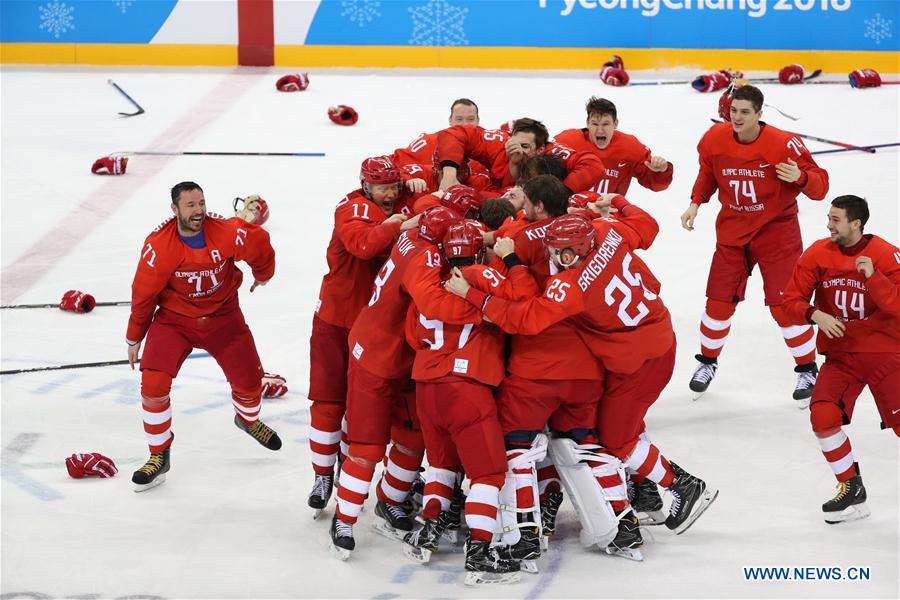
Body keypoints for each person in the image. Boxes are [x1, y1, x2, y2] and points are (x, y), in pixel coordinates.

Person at [447, 208, 719, 537]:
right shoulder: (607, 232)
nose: (549, 257)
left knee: (617, 438)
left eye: (554, 252)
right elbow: (647, 236)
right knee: (618, 428)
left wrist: (473, 294)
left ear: (569, 252)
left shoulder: (571, 284)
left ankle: (683, 485)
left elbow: (526, 320)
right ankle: (646, 493)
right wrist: (614, 200)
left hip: (638, 360)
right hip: (656, 335)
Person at [680, 84, 829, 404]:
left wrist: (801, 178)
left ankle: (807, 368)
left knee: (785, 306)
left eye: (745, 112)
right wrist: (696, 202)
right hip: (732, 235)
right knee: (717, 304)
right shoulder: (714, 139)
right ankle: (706, 363)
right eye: (733, 111)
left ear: (759, 114)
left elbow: (820, 188)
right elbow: (708, 172)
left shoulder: (784, 145)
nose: (737, 117)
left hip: (777, 235)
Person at [126, 182, 280, 492]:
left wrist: (263, 276)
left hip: (224, 318)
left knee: (251, 386)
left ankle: (248, 420)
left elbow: (260, 243)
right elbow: (143, 293)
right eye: (190, 205)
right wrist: (134, 336)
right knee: (153, 385)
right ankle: (159, 455)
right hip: (174, 322)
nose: (198, 211)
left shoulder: (226, 232)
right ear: (175, 210)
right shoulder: (159, 246)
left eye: (201, 203)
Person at [328, 206, 463, 558]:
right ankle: (344, 519)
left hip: (401, 360)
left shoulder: (413, 237)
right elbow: (433, 302)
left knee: (412, 437)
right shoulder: (427, 258)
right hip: (376, 360)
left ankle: (389, 501)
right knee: (367, 448)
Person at [307, 156, 417, 514]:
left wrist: (420, 186)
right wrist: (398, 226)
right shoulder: (351, 208)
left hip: (372, 333)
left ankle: (351, 475)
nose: (389, 193)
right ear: (366, 186)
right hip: (337, 321)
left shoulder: (399, 204)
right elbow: (363, 245)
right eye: (382, 187)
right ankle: (323, 475)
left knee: (363, 413)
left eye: (393, 186)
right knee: (328, 403)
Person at [781, 195, 899, 524]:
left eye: (836, 219)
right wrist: (813, 313)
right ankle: (851, 490)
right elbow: (789, 302)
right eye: (829, 218)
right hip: (841, 355)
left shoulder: (886, 254)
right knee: (822, 416)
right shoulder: (818, 253)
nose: (829, 224)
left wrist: (875, 278)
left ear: (856, 223)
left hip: (884, 353)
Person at [435, 119, 605, 195]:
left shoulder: (554, 153)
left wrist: (560, 193)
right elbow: (455, 133)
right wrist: (450, 172)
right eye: (513, 143)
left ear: (540, 150)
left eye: (525, 147)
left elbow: (593, 165)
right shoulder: (498, 142)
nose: (516, 150)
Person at [554, 97, 673, 196]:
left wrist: (661, 171)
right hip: (571, 213)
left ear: (615, 124)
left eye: (605, 124)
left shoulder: (630, 147)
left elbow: (655, 184)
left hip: (608, 216)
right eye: (595, 124)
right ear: (587, 123)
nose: (600, 130)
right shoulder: (567, 142)